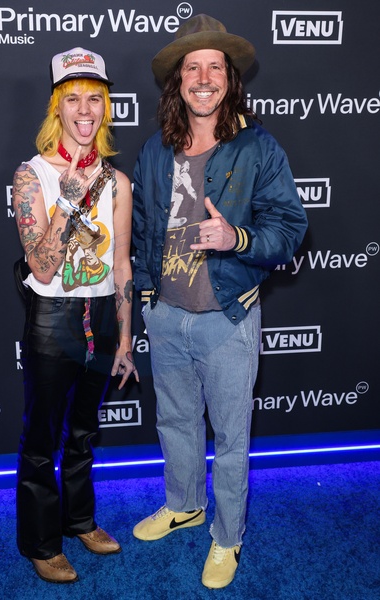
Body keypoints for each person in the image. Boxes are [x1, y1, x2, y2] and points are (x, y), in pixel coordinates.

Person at [132, 14, 308, 590]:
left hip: (228, 318)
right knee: (174, 422)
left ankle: (228, 536)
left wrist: (238, 238)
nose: (203, 78)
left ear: (229, 79)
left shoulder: (259, 147)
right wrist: (148, 298)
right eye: (192, 68)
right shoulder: (155, 149)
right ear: (178, 81)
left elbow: (290, 226)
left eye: (214, 67)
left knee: (232, 439)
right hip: (166, 316)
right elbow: (141, 230)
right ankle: (185, 504)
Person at [12, 46, 138, 584]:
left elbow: (123, 264)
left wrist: (126, 339)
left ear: (105, 108)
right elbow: (42, 268)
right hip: (52, 317)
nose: (84, 110)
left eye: (94, 98)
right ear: (56, 108)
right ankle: (41, 543)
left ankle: (80, 520)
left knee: (84, 433)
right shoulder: (31, 176)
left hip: (103, 319)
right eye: (73, 99)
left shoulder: (118, 182)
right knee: (42, 441)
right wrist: (66, 202)